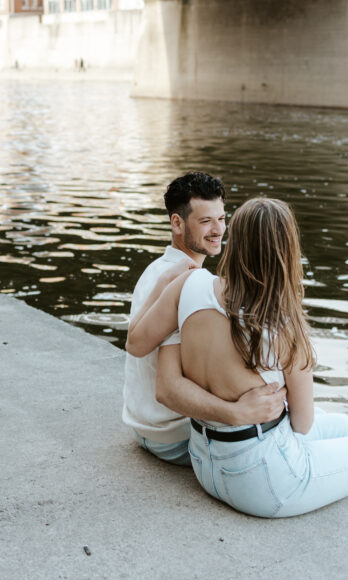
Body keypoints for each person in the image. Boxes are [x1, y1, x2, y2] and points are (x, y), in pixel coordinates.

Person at [127, 196, 348, 517]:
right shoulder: (282, 324)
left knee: (346, 425)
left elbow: (145, 351)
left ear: (237, 241)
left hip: (204, 462)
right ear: (286, 252)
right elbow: (302, 424)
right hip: (263, 483)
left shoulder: (190, 285)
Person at [122, 173, 286, 466]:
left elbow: (133, 343)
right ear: (177, 223)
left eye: (222, 218)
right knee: (279, 426)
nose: (218, 230)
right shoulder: (189, 284)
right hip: (173, 436)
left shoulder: (158, 270)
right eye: (206, 221)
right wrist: (238, 413)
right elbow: (167, 388)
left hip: (145, 426)